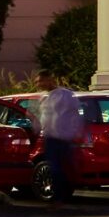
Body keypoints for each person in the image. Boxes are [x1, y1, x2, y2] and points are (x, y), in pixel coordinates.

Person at [35, 72, 84, 206]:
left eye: (41, 81)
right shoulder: (44, 98)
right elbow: (44, 117)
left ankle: (61, 197)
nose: (38, 84)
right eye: (37, 82)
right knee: (55, 167)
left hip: (63, 137)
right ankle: (59, 197)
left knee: (60, 167)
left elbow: (77, 113)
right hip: (50, 137)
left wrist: (75, 131)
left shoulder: (65, 95)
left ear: (50, 80)